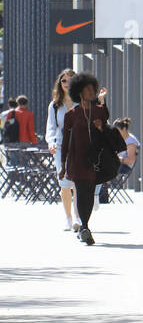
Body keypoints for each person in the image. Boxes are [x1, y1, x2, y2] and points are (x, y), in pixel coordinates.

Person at [60, 72, 111, 246]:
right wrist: (62, 165)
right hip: (77, 158)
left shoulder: (98, 110)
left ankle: (84, 225)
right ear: (79, 92)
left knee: (89, 193)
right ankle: (85, 226)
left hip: (94, 159)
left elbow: (106, 124)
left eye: (93, 89)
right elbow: (65, 141)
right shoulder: (71, 114)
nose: (91, 92)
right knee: (81, 191)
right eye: (88, 90)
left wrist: (102, 103)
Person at [45, 69, 80, 232]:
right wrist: (51, 142)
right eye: (63, 81)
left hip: (80, 147)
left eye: (70, 80)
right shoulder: (54, 105)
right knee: (65, 184)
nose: (66, 84)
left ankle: (79, 217)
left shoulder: (83, 102)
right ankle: (68, 218)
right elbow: (51, 127)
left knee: (77, 183)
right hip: (61, 148)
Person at [98, 117, 140, 203]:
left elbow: (130, 161)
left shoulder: (131, 142)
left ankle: (101, 196)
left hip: (124, 166)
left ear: (124, 129)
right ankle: (100, 195)